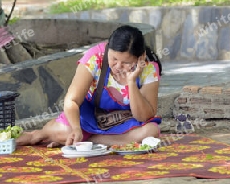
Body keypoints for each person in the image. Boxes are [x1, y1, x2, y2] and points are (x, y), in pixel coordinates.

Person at [16, 25, 163, 147]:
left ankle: (89, 141)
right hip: (90, 115)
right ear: (108, 49)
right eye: (114, 58)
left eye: (126, 62)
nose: (118, 66)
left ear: (140, 57)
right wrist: (76, 129)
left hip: (125, 120)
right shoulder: (95, 57)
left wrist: (131, 81)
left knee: (150, 132)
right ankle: (44, 134)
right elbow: (71, 100)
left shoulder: (148, 68)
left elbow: (144, 116)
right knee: (66, 131)